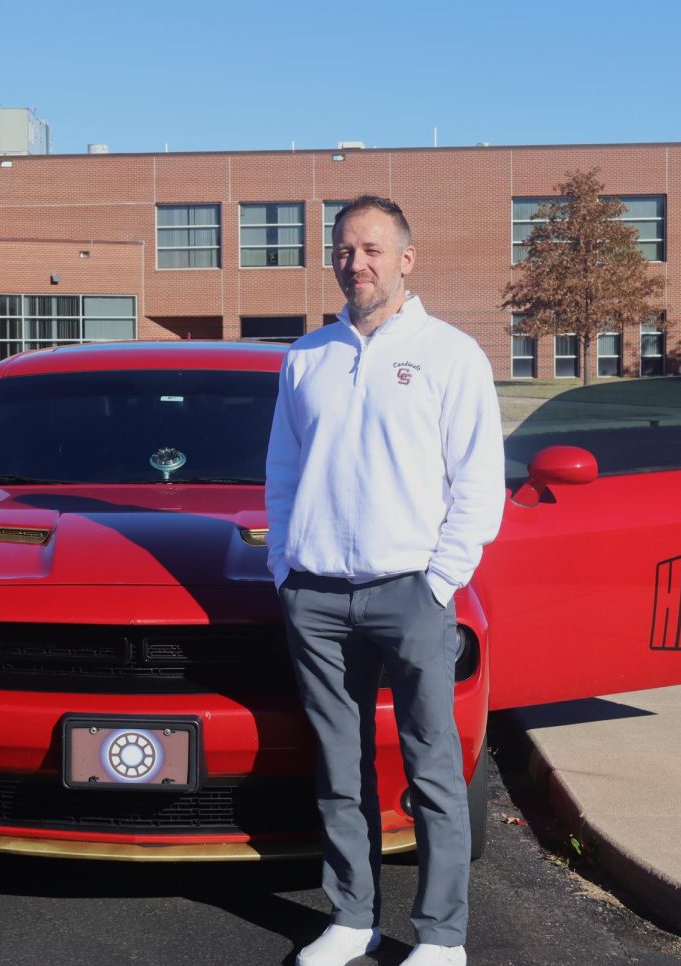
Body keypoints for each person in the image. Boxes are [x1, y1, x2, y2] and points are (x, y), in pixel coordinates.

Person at [264, 196, 505, 966]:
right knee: (339, 770)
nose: (354, 263)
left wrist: (439, 581)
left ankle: (440, 935)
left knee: (433, 767)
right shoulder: (306, 358)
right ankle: (351, 917)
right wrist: (285, 567)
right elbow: (282, 472)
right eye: (343, 249)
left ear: (406, 259)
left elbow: (478, 483)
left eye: (371, 250)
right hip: (319, 597)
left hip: (412, 595)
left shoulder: (450, 354)